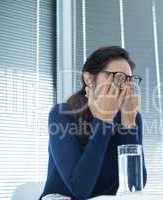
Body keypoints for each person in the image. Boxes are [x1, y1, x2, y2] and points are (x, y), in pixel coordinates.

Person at [40, 46, 147, 200]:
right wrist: (104, 120)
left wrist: (129, 124)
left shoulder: (130, 117)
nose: (125, 86)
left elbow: (134, 186)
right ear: (88, 79)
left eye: (129, 79)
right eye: (117, 77)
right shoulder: (62, 114)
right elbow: (80, 190)